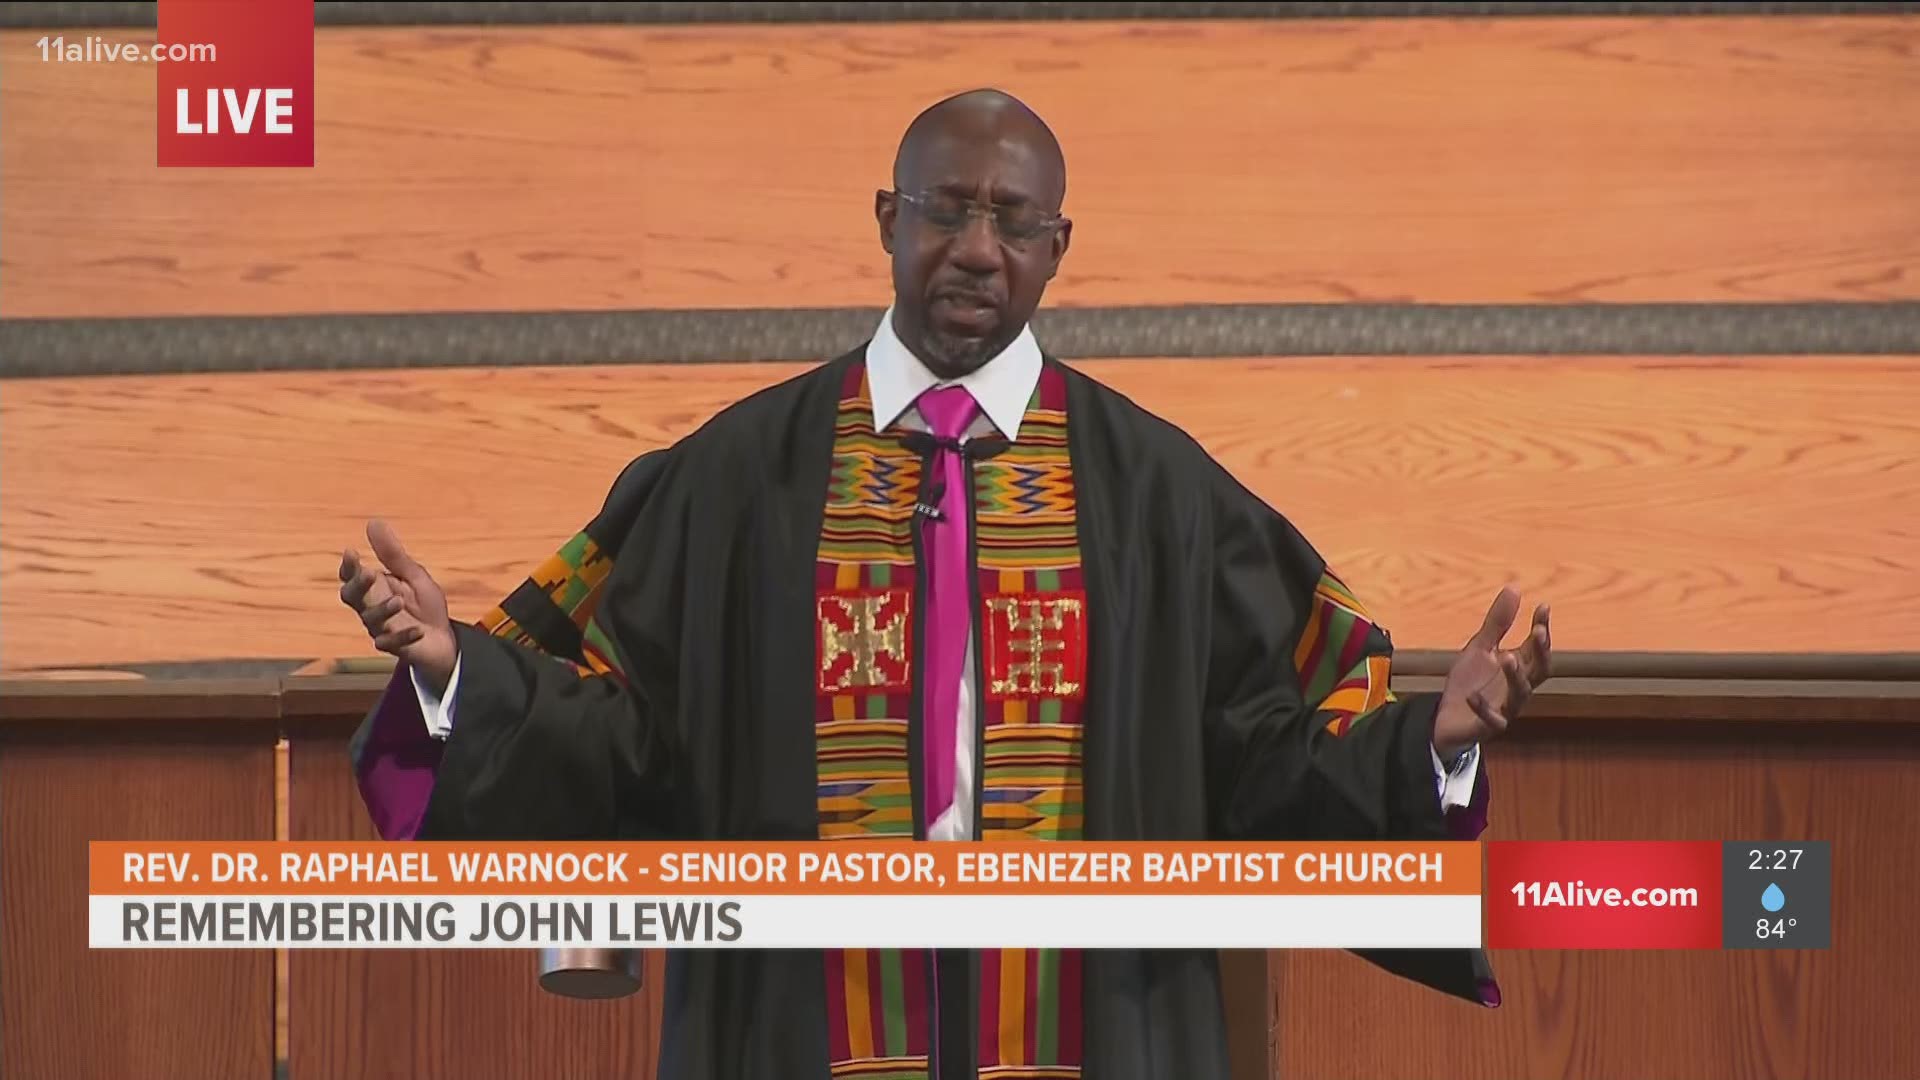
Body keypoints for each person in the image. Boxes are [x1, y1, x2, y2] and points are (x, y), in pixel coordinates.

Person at [340, 89, 1551, 1080]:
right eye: (948, 210)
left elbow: (1270, 760)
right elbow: (619, 735)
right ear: (886, 217)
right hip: (793, 1035)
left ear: (1057, 247)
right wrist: (455, 672)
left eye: (1015, 220)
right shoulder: (734, 480)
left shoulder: (1164, 497)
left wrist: (1432, 744)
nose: (978, 248)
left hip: (1101, 1034)